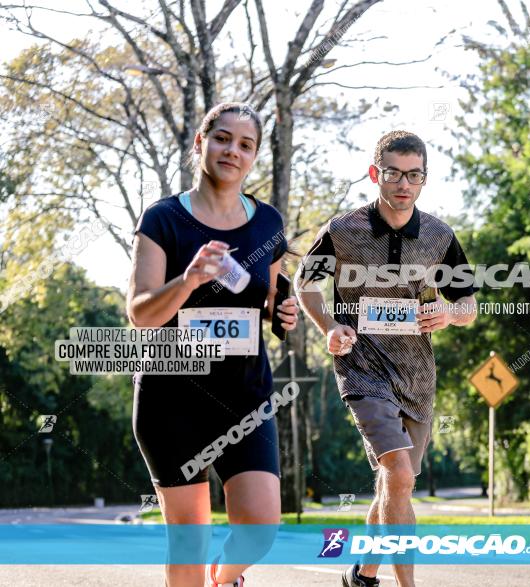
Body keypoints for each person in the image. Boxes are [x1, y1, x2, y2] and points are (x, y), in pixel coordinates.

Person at [126, 102, 299, 587]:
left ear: (255, 157)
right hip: (171, 398)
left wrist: (279, 311)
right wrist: (187, 280)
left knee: (261, 527)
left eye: (246, 145)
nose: (233, 151)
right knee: (189, 540)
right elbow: (140, 313)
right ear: (200, 143)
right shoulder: (162, 219)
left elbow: (268, 297)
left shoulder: (267, 223)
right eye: (222, 138)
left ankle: (224, 581)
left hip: (244, 394)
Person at [295, 131, 478, 587]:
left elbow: (468, 306)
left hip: (416, 376)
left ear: (424, 180)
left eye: (413, 175)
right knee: (397, 471)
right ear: (376, 173)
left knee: (396, 483)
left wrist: (448, 312)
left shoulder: (439, 236)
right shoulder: (343, 230)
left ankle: (363, 573)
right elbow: (304, 283)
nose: (403, 184)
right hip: (361, 368)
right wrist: (330, 328)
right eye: (394, 173)